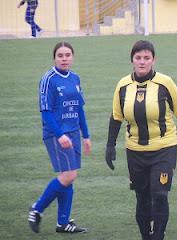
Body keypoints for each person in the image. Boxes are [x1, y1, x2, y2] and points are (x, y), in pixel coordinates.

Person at [105, 40, 177, 240]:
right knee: (142, 197)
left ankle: (159, 235)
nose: (142, 62)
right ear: (132, 60)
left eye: (147, 58)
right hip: (135, 150)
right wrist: (110, 145)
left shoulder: (165, 83)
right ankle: (146, 235)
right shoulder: (122, 86)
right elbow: (116, 117)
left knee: (160, 194)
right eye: (138, 58)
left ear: (153, 60)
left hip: (164, 147)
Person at [28, 41, 91, 234]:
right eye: (60, 55)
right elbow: (45, 112)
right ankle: (36, 209)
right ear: (54, 58)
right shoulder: (48, 79)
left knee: (68, 177)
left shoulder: (75, 78)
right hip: (56, 134)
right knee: (68, 175)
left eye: (67, 55)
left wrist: (86, 135)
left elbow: (79, 109)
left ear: (73, 57)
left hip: (73, 134)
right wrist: (60, 134)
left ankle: (63, 223)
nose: (64, 58)